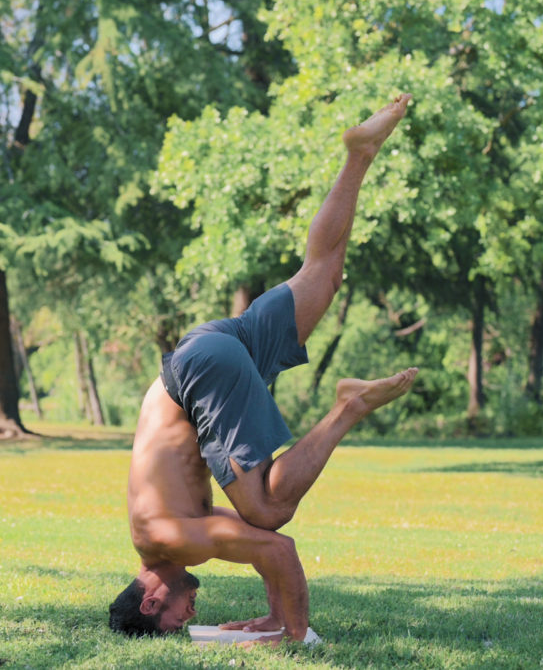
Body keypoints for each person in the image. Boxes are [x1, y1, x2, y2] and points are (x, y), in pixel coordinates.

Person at [109, 94, 419, 643]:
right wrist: (273, 604)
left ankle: (348, 407)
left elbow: (276, 546)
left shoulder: (170, 540)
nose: (189, 616)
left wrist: (290, 632)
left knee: (271, 508)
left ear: (152, 598)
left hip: (200, 374)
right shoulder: (158, 533)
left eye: (176, 620)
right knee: (322, 273)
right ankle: (360, 155)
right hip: (204, 352)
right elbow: (248, 537)